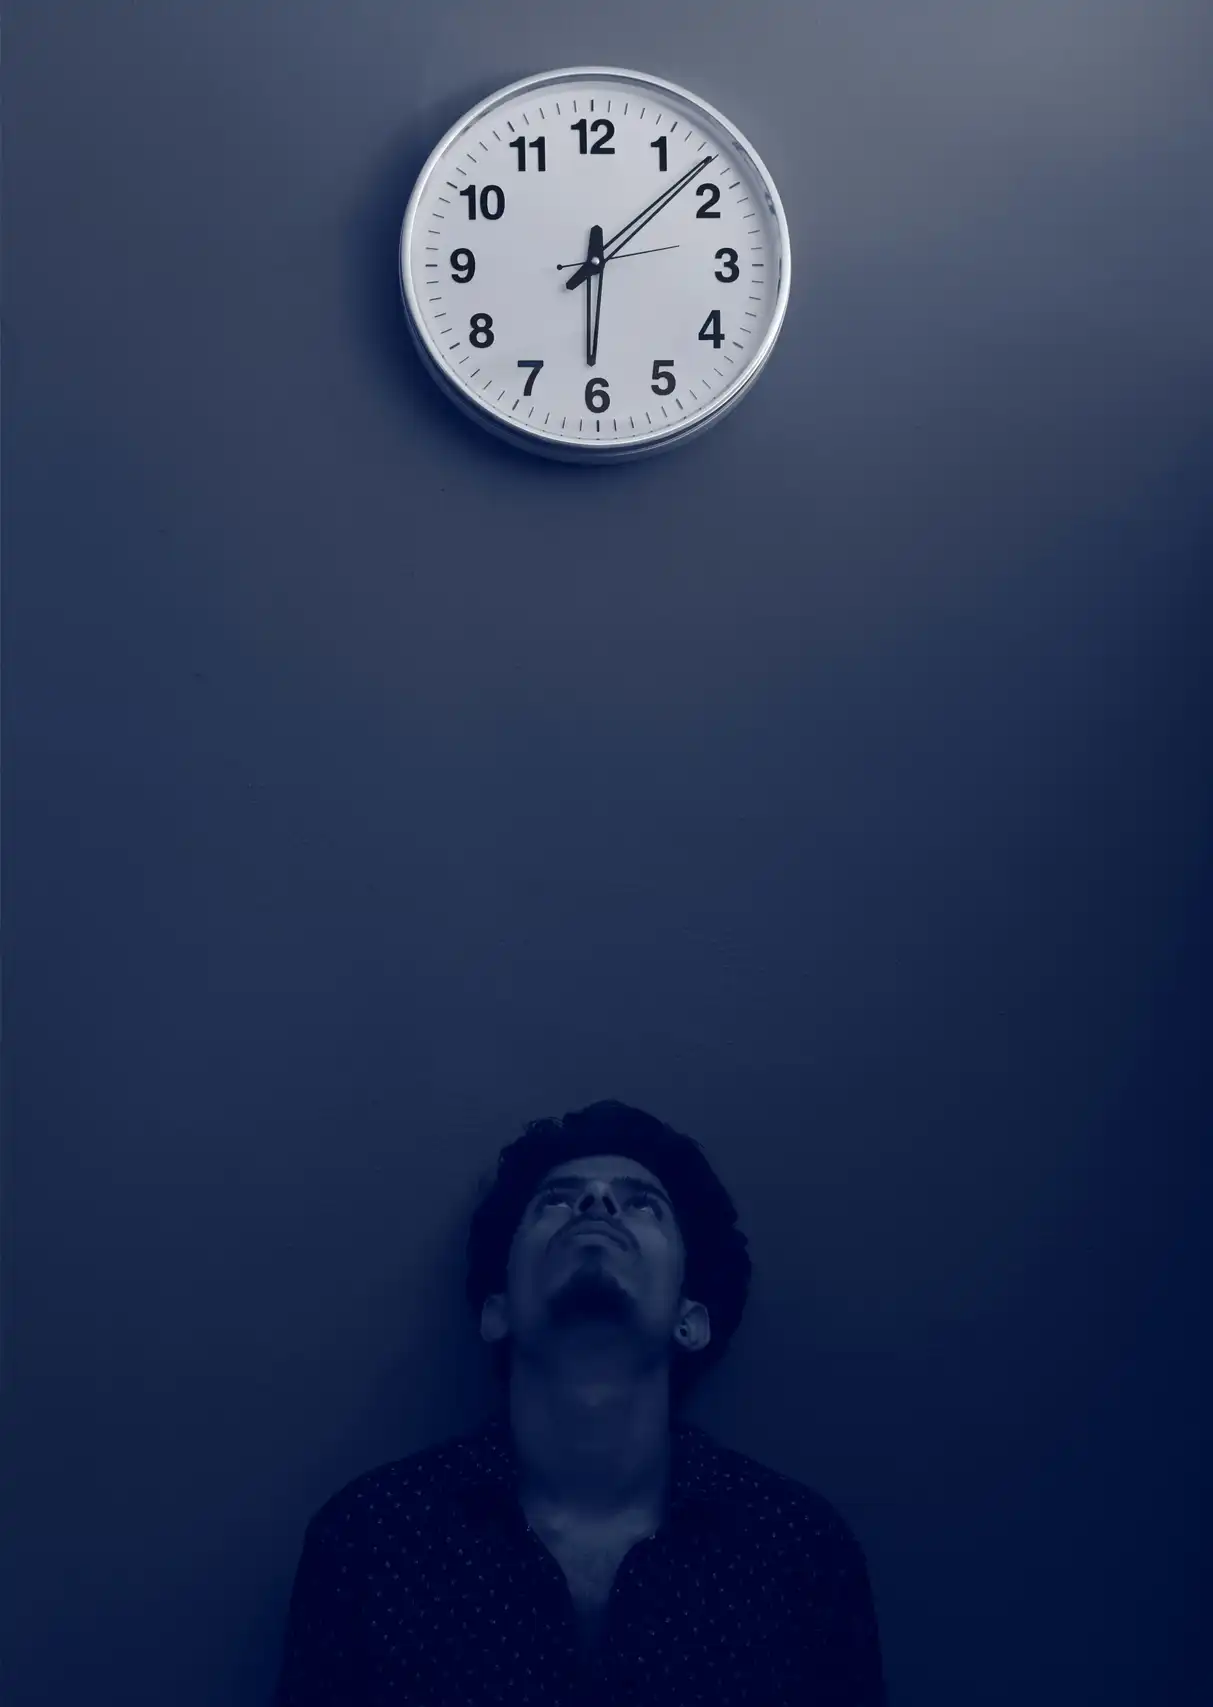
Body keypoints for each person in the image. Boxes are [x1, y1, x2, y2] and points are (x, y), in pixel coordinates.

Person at [275, 1099, 886, 1705]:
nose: (597, 1204)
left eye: (643, 1204)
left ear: (691, 1319)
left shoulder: (797, 1550)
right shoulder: (372, 1540)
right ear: (498, 1310)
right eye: (558, 1201)